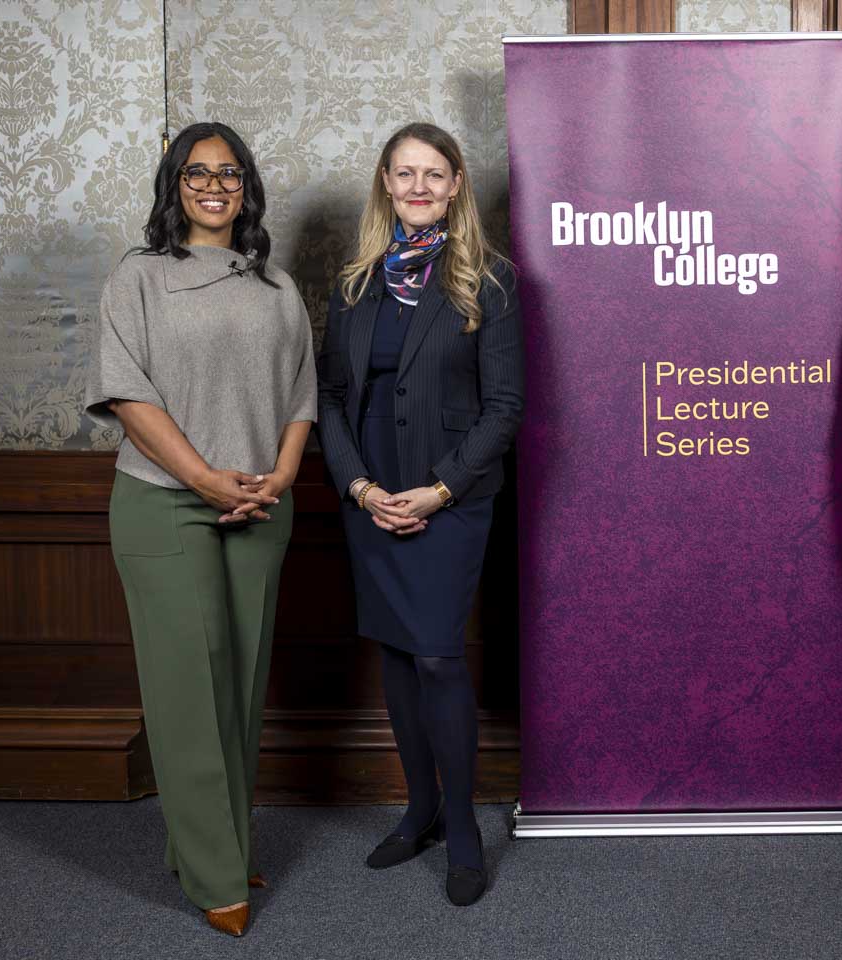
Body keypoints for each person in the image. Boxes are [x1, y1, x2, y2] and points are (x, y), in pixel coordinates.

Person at [84, 122, 316, 936]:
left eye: (228, 172)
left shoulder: (276, 286)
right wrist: (205, 478)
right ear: (173, 185)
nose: (213, 185)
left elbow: (299, 399)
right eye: (195, 173)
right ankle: (217, 874)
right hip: (166, 500)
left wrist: (281, 477)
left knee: (240, 691)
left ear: (247, 185)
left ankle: (217, 842)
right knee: (189, 691)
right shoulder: (139, 279)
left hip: (261, 504)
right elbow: (128, 398)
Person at [315, 121, 523, 907]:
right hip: (369, 493)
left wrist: (439, 489)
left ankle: (462, 824)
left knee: (437, 654)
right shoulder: (353, 282)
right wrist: (359, 487)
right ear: (385, 183)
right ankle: (421, 807)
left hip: (451, 499)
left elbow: (506, 408)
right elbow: (330, 395)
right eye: (404, 174)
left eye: (434, 174)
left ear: (457, 184)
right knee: (398, 655)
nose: (418, 188)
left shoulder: (490, 281)